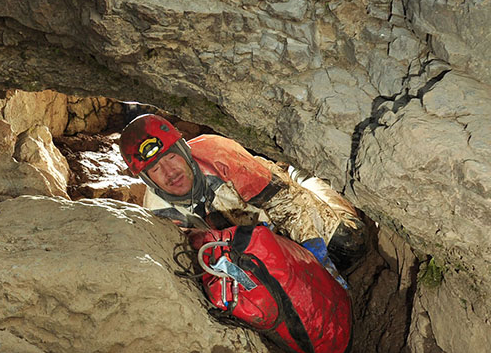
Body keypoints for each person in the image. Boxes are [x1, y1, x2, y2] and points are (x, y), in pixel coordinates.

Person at [119, 113, 365, 277]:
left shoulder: (218, 154)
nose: (169, 173)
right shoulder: (159, 212)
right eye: (155, 169)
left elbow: (287, 203)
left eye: (171, 157)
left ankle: (301, 174)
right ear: (147, 179)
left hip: (276, 201)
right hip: (258, 245)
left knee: (349, 246)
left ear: (183, 150)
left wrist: (316, 259)